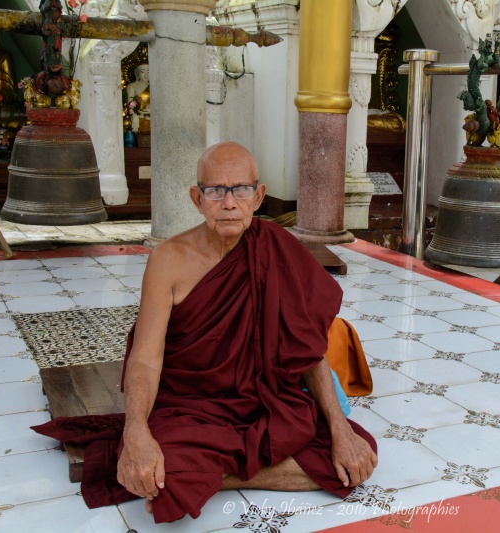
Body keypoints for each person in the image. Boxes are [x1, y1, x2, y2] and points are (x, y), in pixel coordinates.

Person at [32, 142, 378, 523]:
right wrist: (136, 431)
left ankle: (205, 478)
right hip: (190, 404)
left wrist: (341, 429)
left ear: (259, 196)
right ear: (197, 199)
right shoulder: (169, 261)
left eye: (241, 189)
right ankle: (194, 472)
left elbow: (307, 350)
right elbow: (146, 357)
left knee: (355, 454)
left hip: (263, 398)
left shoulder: (277, 248)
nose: (229, 203)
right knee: (158, 452)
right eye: (215, 191)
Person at [125, 63, 150, 133]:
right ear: (137, 73)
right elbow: (130, 105)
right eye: (142, 72)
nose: (146, 75)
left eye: (148, 72)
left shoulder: (154, 86)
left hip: (150, 116)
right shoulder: (131, 86)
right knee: (129, 122)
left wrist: (152, 111)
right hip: (137, 116)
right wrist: (135, 114)